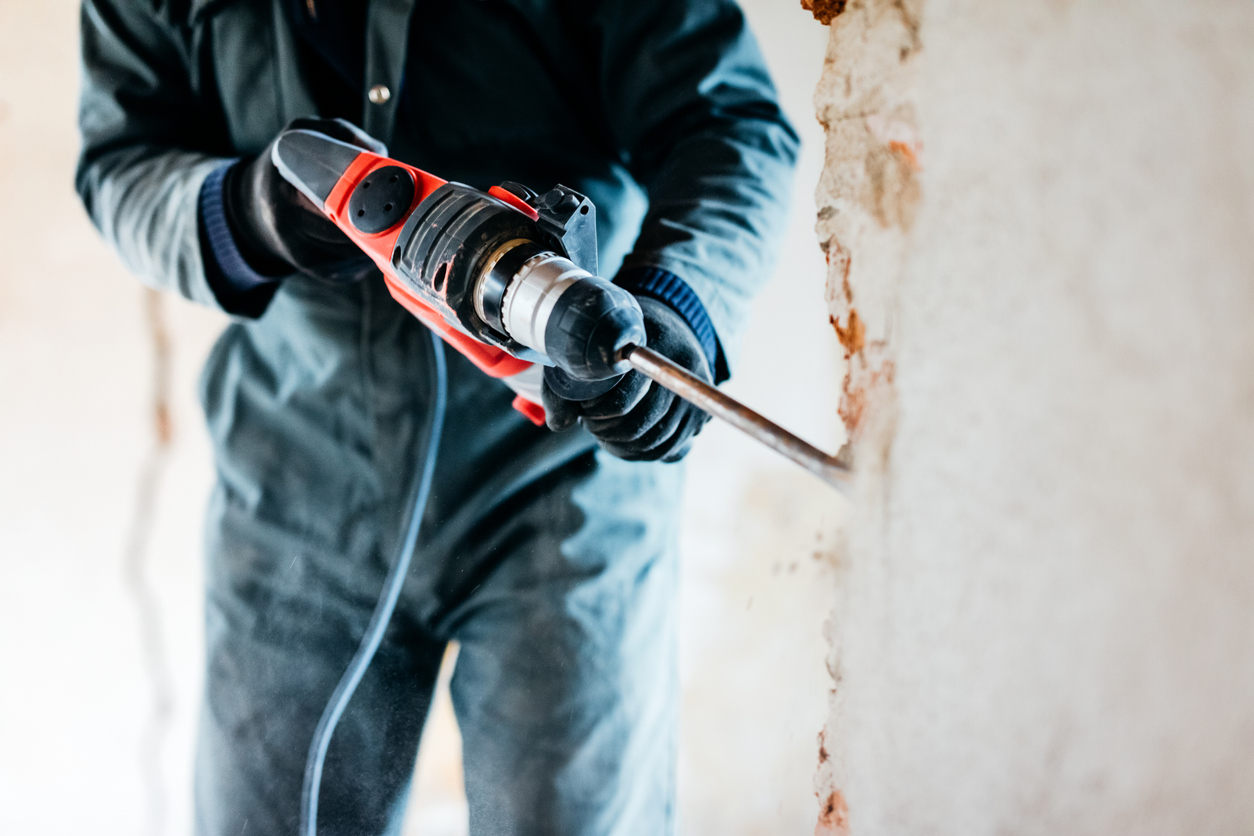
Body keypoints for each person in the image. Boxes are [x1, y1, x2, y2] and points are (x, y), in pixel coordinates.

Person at [76, 0, 798, 833]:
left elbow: (728, 122)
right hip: (295, 482)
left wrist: (680, 306)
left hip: (559, 490)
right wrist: (243, 214)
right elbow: (122, 161)